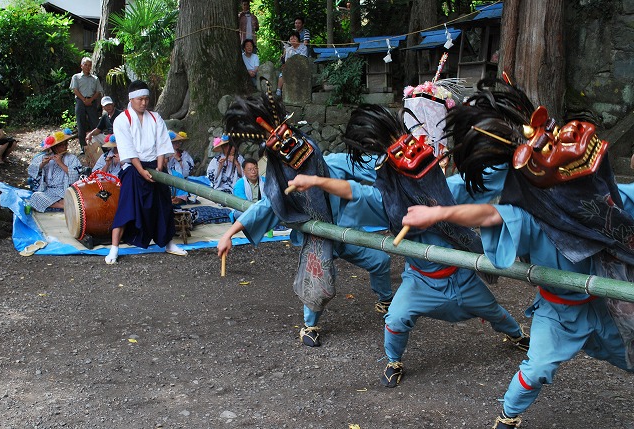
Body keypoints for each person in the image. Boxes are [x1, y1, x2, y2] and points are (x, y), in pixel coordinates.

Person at [403, 79, 634, 429]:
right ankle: (508, 417)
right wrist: (437, 212)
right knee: (537, 367)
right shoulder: (526, 213)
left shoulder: (591, 196)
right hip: (558, 311)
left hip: (605, 300)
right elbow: (488, 214)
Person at [287, 104, 529, 386]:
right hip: (420, 281)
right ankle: (394, 360)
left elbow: (485, 179)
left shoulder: (449, 189)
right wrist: (316, 180)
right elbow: (357, 191)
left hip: (460, 276)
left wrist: (515, 151)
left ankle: (517, 335)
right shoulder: (388, 203)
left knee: (494, 311)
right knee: (395, 319)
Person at [217, 90, 393, 348]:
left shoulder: (332, 164)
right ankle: (309, 325)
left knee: (380, 259)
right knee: (317, 283)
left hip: (344, 229)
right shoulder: (283, 184)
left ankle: (385, 299)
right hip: (316, 235)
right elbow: (265, 206)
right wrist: (228, 233)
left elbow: (372, 164)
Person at [104, 80, 187, 265]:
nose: (144, 103)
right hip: (133, 167)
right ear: (131, 99)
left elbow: (162, 144)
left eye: (147, 99)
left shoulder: (156, 117)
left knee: (164, 204)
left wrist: (159, 168)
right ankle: (114, 248)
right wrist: (142, 171)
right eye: (140, 99)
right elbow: (128, 150)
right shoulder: (122, 119)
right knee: (126, 206)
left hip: (155, 165)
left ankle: (169, 243)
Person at [27, 129, 82, 212]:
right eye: (62, 145)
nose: (65, 146)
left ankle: (62, 204)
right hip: (49, 191)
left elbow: (76, 176)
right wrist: (42, 164)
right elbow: (31, 170)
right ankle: (64, 206)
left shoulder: (72, 158)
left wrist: (60, 163)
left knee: (79, 199)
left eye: (66, 144)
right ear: (55, 147)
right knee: (35, 197)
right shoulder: (45, 157)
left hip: (65, 190)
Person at [70, 57, 103, 154]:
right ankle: (83, 147)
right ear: (81, 66)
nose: (87, 67)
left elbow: (98, 91)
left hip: (92, 101)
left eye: (89, 65)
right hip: (80, 101)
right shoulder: (76, 77)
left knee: (95, 123)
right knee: (81, 123)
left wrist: (91, 100)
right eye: (85, 65)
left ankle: (97, 145)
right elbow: (75, 89)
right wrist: (84, 100)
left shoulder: (95, 79)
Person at [276, 31, 309, 97]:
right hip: (290, 68)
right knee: (282, 74)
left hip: (300, 68)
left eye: (294, 38)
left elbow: (303, 59)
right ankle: (278, 90)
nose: (293, 40)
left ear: (298, 39)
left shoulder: (303, 48)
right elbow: (286, 61)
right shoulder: (288, 49)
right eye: (291, 39)